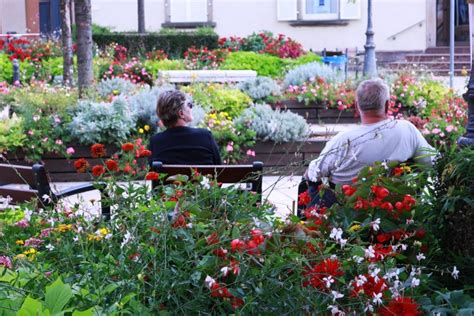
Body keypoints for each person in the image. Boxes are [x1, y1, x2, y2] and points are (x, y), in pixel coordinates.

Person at [304, 78, 435, 207]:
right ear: (387, 105)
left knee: (307, 183)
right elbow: (430, 162)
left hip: (345, 211)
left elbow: (314, 173)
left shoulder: (344, 140)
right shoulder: (406, 129)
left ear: (356, 106)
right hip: (394, 209)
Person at [149, 90, 222, 165]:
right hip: (202, 177)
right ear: (181, 113)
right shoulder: (205, 136)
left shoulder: (156, 142)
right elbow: (220, 170)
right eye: (189, 105)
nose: (191, 108)